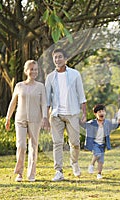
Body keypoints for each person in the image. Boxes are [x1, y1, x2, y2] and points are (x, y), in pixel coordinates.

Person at [45, 48, 87, 181]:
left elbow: (81, 95)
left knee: (75, 143)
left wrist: (84, 113)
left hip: (72, 113)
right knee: (57, 143)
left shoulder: (75, 74)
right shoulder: (50, 77)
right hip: (56, 114)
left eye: (60, 57)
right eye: (55, 57)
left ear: (66, 59)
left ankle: (74, 163)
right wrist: (45, 117)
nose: (57, 60)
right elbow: (47, 99)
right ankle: (58, 171)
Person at [5, 60, 48, 182]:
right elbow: (13, 103)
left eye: (35, 69)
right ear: (26, 71)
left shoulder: (40, 86)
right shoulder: (19, 86)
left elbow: (44, 103)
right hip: (20, 119)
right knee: (21, 146)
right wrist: (8, 118)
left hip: (35, 120)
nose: (33, 71)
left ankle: (31, 174)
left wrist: (45, 117)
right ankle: (19, 172)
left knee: (33, 147)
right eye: (31, 69)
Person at [81, 104, 120, 179]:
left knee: (101, 161)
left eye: (103, 111)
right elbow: (84, 125)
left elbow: (114, 126)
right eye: (99, 112)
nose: (101, 113)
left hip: (103, 144)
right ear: (95, 114)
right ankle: (91, 164)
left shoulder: (107, 123)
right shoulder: (92, 123)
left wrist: (119, 123)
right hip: (94, 143)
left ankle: (99, 174)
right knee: (98, 154)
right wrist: (81, 121)